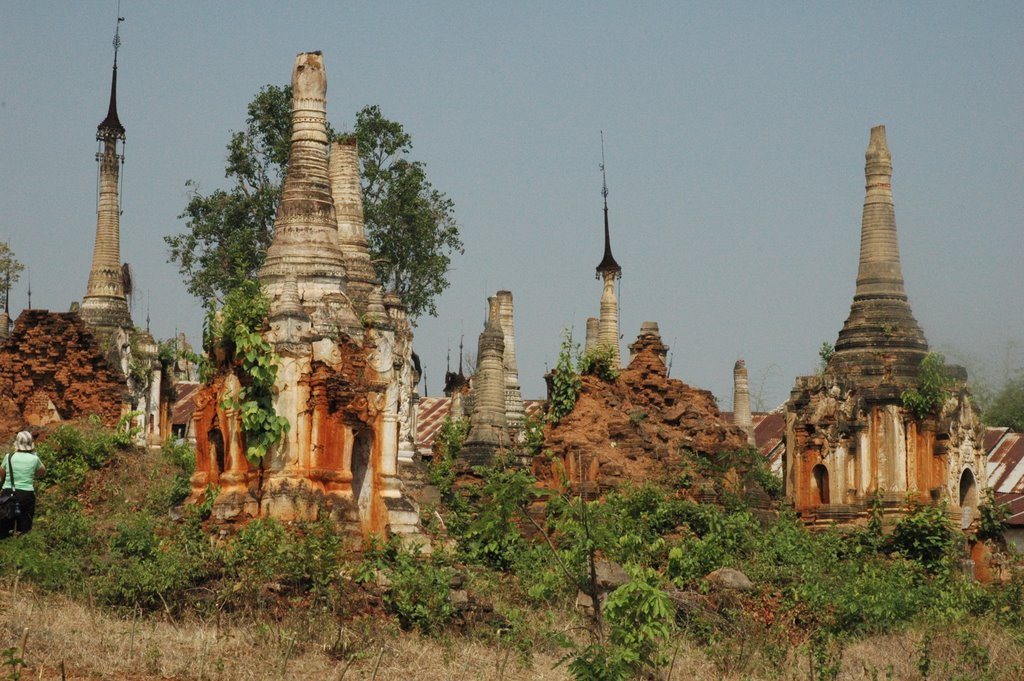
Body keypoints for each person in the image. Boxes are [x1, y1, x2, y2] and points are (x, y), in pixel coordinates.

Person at [0, 431, 46, 538]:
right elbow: (42, 472)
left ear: (17, 444)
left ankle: (6, 546)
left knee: (5, 523)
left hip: (8, 493)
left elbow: (1, 473)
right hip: (26, 494)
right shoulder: (34, 459)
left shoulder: (9, 457)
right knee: (25, 525)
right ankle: (22, 544)